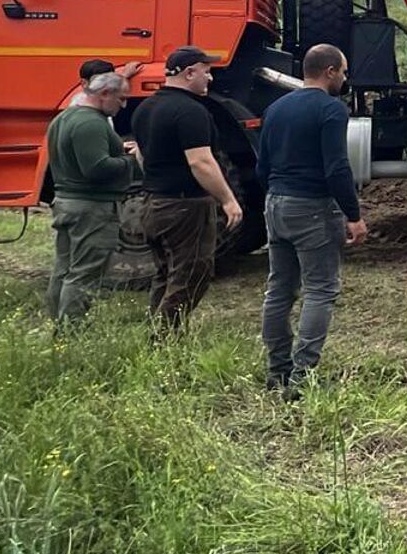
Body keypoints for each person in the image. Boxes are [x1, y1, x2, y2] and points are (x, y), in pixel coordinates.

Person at [256, 43, 367, 393]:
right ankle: (303, 377)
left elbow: (263, 165)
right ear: (330, 71)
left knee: (279, 290)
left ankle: (278, 371)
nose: (345, 79)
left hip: (276, 203)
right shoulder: (331, 110)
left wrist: (276, 194)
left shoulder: (276, 108)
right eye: (344, 72)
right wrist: (353, 215)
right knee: (320, 289)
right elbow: (336, 167)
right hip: (312, 207)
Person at [130, 46, 243, 332]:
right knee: (193, 272)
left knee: (167, 272)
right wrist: (228, 200)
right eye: (207, 72)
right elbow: (201, 162)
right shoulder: (190, 111)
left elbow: (142, 155)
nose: (210, 79)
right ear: (189, 72)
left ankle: (155, 330)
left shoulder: (146, 107)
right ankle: (165, 339)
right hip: (185, 206)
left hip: (153, 203)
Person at [43, 72, 138, 323]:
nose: (124, 105)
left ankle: (58, 324)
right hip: (91, 208)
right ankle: (72, 332)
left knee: (64, 269)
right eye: (122, 98)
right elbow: (97, 168)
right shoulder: (91, 123)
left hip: (66, 202)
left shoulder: (63, 118)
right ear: (105, 94)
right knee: (85, 273)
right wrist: (129, 160)